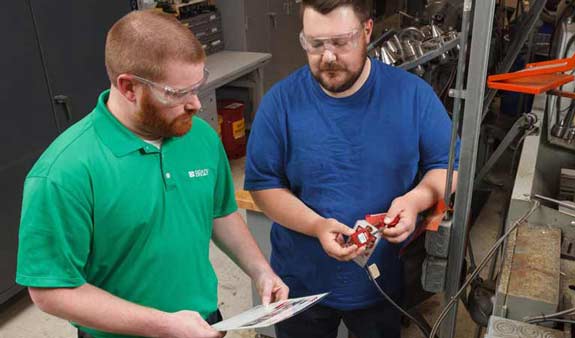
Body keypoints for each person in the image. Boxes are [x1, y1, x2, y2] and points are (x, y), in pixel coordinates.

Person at [16, 10, 288, 338]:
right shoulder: (63, 172)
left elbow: (219, 212)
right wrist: (164, 325)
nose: (196, 105)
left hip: (205, 324)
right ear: (129, 87)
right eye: (177, 94)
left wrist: (260, 271)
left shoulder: (199, 137)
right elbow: (49, 291)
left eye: (198, 85)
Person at [244, 0, 459, 337]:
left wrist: (417, 200)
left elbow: (447, 165)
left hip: (381, 282)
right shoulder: (280, 103)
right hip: (301, 285)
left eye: (341, 43)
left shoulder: (412, 96)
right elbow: (262, 185)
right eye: (315, 44)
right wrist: (316, 225)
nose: (328, 57)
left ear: (367, 32)